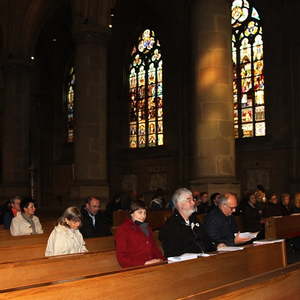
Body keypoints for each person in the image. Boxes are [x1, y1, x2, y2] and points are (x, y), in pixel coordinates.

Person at [159, 188, 215, 257]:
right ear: (179, 204)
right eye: (189, 200)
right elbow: (172, 253)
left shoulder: (194, 219)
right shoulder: (171, 225)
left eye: (193, 199)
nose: (193, 203)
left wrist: (216, 247)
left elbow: (206, 240)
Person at [115, 200, 164, 268]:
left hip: (152, 265)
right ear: (131, 213)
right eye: (140, 212)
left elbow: (154, 247)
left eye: (145, 213)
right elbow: (122, 258)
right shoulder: (123, 229)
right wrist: (144, 263)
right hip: (136, 267)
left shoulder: (146, 227)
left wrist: (160, 259)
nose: (143, 216)